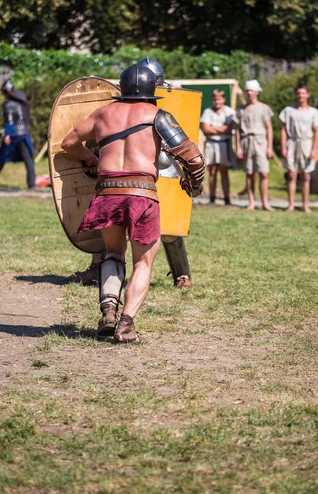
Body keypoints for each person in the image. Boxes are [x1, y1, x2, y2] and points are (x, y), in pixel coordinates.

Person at [61, 65, 205, 343]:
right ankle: (126, 325)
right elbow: (194, 158)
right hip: (142, 194)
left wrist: (92, 159)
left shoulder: (103, 113)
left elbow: (69, 142)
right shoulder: (158, 115)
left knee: (113, 254)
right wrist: (194, 184)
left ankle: (108, 312)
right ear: (153, 91)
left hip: (107, 192)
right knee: (143, 263)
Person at [71, 58, 194, 289]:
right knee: (109, 220)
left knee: (170, 226)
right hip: (124, 172)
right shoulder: (116, 108)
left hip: (160, 168)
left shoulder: (168, 101)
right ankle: (98, 268)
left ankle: (182, 274)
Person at [0, 79, 36, 189]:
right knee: (28, 160)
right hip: (24, 134)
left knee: (1, 158)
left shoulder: (8, 104)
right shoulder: (22, 103)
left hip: (14, 135)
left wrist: (7, 134)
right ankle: (32, 185)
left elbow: (9, 121)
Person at [280, 86, 318, 212]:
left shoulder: (313, 112)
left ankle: (305, 204)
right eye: (298, 93)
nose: (301, 96)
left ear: (308, 95)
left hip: (306, 143)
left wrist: (314, 149)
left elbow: (317, 132)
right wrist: (283, 147)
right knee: (292, 174)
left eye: (303, 93)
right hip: (292, 143)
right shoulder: (288, 111)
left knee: (305, 175)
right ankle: (291, 204)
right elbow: (283, 130)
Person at [236, 79, 274, 211]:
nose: (249, 93)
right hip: (247, 142)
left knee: (263, 173)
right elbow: (238, 130)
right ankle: (251, 202)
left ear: (257, 92)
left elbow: (269, 128)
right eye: (247, 91)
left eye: (251, 90)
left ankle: (265, 202)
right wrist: (239, 147)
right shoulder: (241, 110)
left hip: (260, 142)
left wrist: (269, 147)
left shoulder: (264, 108)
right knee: (249, 173)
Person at [200, 89, 235, 205]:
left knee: (224, 171)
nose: (217, 102)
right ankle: (212, 197)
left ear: (223, 99)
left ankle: (226, 198)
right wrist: (221, 129)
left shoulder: (229, 112)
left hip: (224, 143)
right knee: (212, 171)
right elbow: (205, 129)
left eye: (219, 99)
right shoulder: (208, 112)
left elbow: (229, 129)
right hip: (211, 143)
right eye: (215, 99)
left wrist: (213, 128)